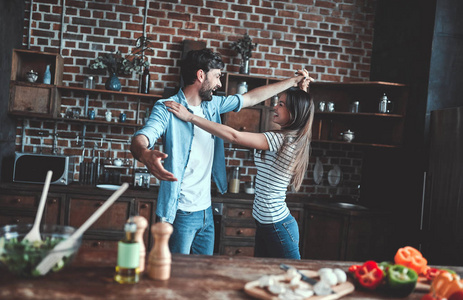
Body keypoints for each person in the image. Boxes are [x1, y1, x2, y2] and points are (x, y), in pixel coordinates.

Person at [130, 48, 312, 255]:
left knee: (204, 274)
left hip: (207, 210)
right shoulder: (167, 107)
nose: (219, 84)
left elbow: (250, 99)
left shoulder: (213, 106)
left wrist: (292, 81)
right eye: (217, 76)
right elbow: (143, 136)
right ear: (201, 75)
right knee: (175, 274)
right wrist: (144, 154)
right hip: (181, 212)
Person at [165, 82, 314, 259]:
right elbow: (301, 109)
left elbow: (234, 136)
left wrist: (190, 117)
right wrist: (301, 88)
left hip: (278, 226)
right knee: (267, 278)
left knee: (292, 277)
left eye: (281, 104)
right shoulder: (293, 137)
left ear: (294, 112)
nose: (275, 106)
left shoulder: (279, 140)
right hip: (266, 224)